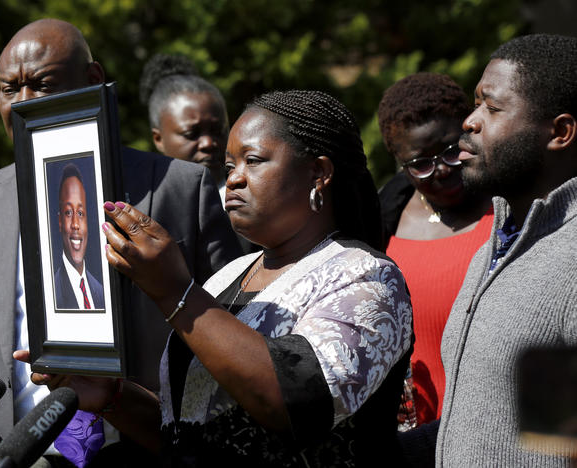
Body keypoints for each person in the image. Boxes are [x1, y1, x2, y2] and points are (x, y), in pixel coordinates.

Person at [28, 90, 414, 466]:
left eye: (254, 160)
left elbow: (297, 405)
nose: (233, 179)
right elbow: (187, 434)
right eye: (229, 167)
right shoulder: (227, 278)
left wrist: (176, 292)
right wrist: (114, 397)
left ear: (319, 173)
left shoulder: (367, 277)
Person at [0, 17, 241, 462]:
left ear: (93, 80)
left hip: (153, 449)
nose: (22, 103)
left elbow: (232, 333)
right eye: (9, 89)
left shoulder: (180, 188)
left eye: (42, 85)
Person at [400, 34, 577, 466]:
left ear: (560, 132)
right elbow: (538, 432)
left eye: (492, 108)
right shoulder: (498, 247)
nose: (470, 121)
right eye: (476, 103)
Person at [377, 73, 493, 425]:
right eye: (421, 163)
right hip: (417, 435)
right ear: (400, 162)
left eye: (450, 150)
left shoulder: (512, 206)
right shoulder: (383, 221)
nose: (441, 170)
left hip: (498, 424)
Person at [139, 53, 229, 201]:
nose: (208, 143)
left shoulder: (255, 206)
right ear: (158, 139)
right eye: (191, 134)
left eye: (218, 131)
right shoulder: (143, 204)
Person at [53, 163, 104, 310]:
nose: (76, 224)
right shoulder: (52, 293)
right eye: (68, 213)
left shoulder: (101, 292)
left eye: (80, 214)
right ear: (60, 221)